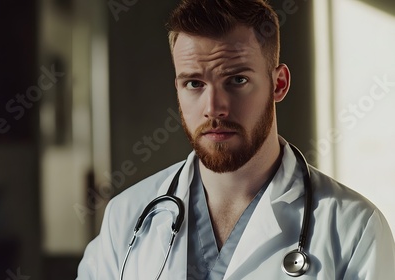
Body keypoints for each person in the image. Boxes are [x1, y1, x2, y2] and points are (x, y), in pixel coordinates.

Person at [77, 0, 395, 279]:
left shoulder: (353, 228)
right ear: (177, 87)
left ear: (279, 84)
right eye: (194, 83)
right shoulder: (126, 218)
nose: (214, 108)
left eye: (237, 79)